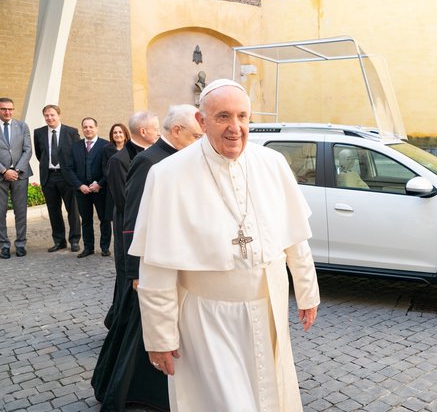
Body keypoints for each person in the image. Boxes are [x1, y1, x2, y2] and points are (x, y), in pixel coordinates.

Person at [130, 79, 320, 411]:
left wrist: (307, 291)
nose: (236, 128)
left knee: (270, 399)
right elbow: (157, 266)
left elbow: (295, 238)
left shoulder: (272, 164)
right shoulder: (168, 175)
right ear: (201, 122)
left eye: (243, 117)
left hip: (267, 309)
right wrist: (160, 336)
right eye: (223, 117)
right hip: (206, 320)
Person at [92, 104, 203, 412]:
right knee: (138, 332)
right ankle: (130, 392)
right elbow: (133, 218)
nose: (200, 141)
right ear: (177, 131)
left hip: (172, 261)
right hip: (148, 266)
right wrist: (134, 271)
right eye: (196, 135)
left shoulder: (179, 157)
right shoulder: (149, 161)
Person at [103, 112, 160, 328]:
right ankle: (118, 323)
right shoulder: (119, 160)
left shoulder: (151, 154)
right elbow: (123, 201)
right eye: (155, 128)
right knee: (126, 278)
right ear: (143, 131)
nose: (158, 132)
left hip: (144, 226)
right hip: (128, 228)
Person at [0, 98, 33, 259]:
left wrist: (16, 169)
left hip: (20, 175)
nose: (8, 112)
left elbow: (28, 150)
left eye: (10, 109)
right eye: (4, 109)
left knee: (21, 211)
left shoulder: (22, 126)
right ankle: (4, 245)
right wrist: (4, 171)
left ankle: (20, 244)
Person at [34, 105, 82, 253]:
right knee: (53, 210)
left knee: (72, 210)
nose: (49, 118)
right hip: (49, 176)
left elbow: (77, 155)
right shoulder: (39, 132)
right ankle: (59, 241)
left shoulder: (71, 132)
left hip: (66, 176)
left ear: (59, 115)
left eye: (52, 115)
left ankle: (74, 240)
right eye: (46, 115)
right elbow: (39, 153)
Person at [63, 117, 111, 258]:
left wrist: (99, 184)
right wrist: (79, 185)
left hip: (100, 189)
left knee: (104, 219)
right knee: (86, 220)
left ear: (96, 128)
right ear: (82, 129)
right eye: (85, 127)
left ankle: (104, 247)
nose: (88, 129)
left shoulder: (106, 145)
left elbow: (109, 169)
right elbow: (69, 168)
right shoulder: (75, 146)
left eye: (91, 127)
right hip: (82, 190)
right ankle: (88, 247)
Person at [101, 123, 130, 226]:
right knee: (116, 218)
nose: (118, 134)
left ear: (125, 134)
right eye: (115, 132)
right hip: (114, 188)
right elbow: (104, 168)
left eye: (120, 132)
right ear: (112, 135)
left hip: (129, 186)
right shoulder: (106, 149)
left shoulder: (131, 148)